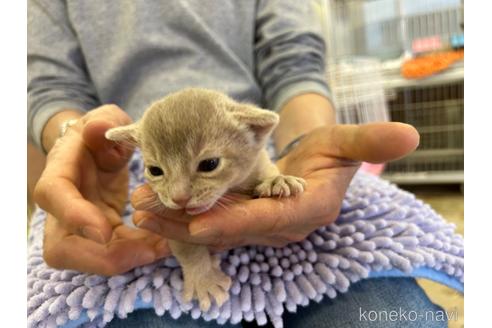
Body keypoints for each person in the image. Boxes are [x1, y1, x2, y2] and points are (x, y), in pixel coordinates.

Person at [28, 1, 445, 327]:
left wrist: (299, 150)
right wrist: (80, 141)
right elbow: (49, 85)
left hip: (259, 134)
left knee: (396, 316)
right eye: (160, 172)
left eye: (207, 165)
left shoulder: (250, 140)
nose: (178, 196)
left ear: (255, 133)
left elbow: (293, 60)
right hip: (118, 167)